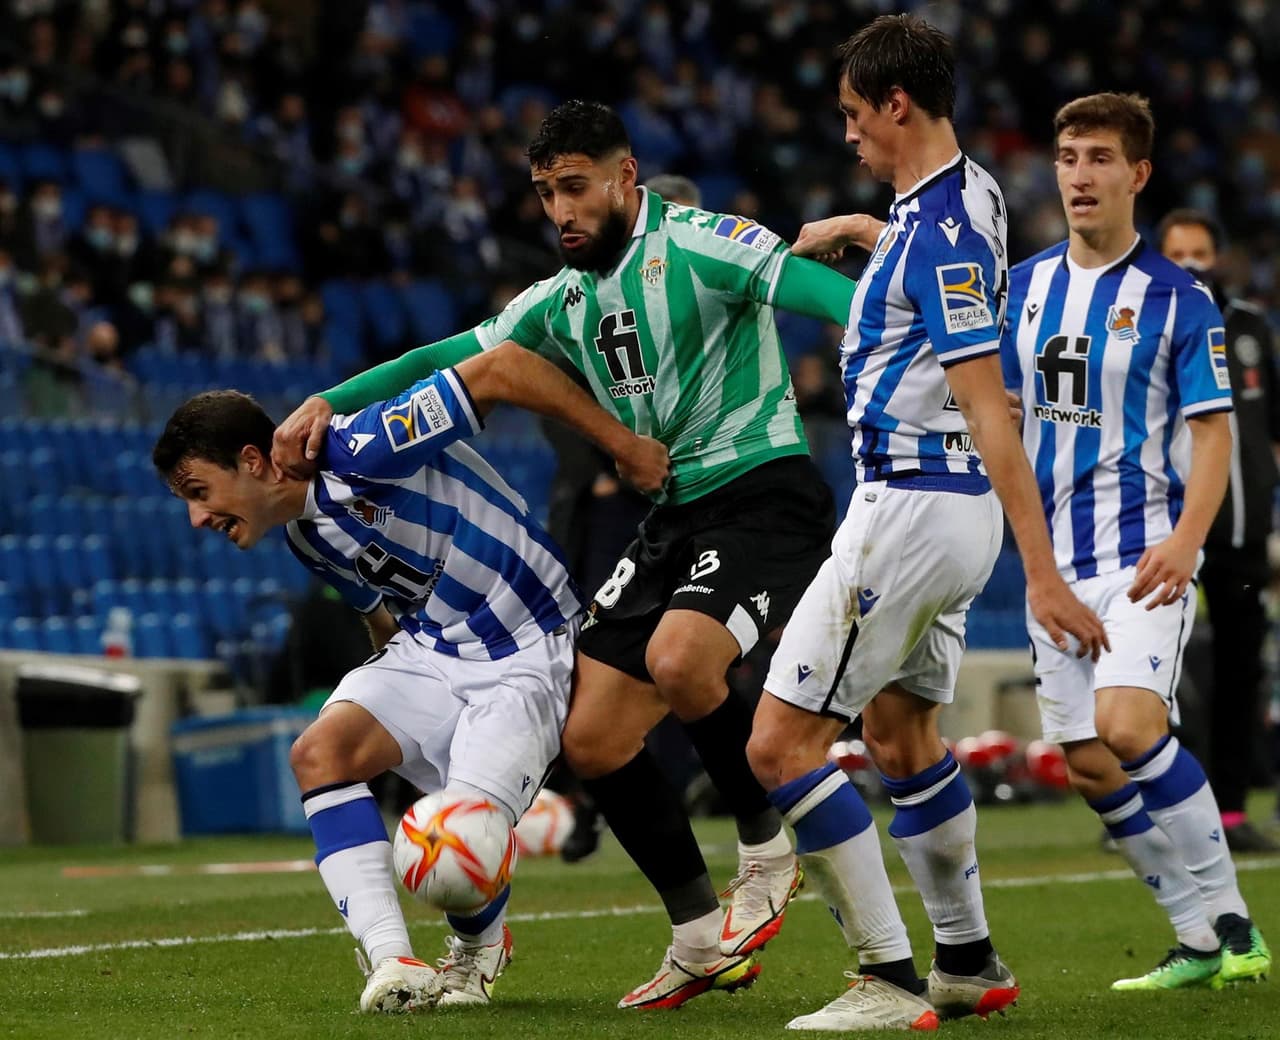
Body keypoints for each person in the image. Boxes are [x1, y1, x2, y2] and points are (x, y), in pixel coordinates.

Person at [272, 100, 866, 1009]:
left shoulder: (706, 243)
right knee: (590, 737)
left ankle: (765, 846)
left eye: (577, 187)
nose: (562, 211)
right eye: (547, 193)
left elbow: (817, 291)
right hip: (672, 517)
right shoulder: (564, 296)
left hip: (763, 492)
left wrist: (916, 343)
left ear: (627, 176)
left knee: (677, 658)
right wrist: (331, 396)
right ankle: (701, 937)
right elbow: (453, 353)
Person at [744, 15, 1109, 1031]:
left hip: (907, 507)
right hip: (944, 513)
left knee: (777, 745)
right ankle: (965, 959)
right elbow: (930, 263)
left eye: (855, 115)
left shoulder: (940, 229)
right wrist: (862, 232)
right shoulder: (971, 195)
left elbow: (988, 399)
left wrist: (1040, 574)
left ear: (894, 104)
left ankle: (886, 977)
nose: (849, 134)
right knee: (901, 737)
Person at [152, 343, 668, 1014]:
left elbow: (505, 365)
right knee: (319, 753)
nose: (197, 517)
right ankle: (392, 959)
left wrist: (622, 444)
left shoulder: (362, 446)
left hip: (526, 648)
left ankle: (478, 951)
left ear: (252, 462)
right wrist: (394, 693)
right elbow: (377, 611)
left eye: (199, 493)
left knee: (457, 848)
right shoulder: (305, 537)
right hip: (434, 650)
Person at [1002, 92, 1271, 991]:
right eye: (1069, 155)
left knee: (1127, 727)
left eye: (1100, 158)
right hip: (1053, 565)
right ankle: (1195, 938)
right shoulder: (1026, 285)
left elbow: (1215, 434)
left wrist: (1190, 541)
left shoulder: (1177, 299)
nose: (1080, 174)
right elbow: (1000, 408)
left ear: (1138, 174)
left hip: (1143, 551)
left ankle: (1238, 927)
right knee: (1087, 760)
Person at [1157, 208, 1280, 854]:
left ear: (1220, 256)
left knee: (1239, 674)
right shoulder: (1144, 325)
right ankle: (1151, 808)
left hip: (1240, 530)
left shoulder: (1251, 328)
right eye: (1176, 252)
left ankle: (1230, 811)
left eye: (1200, 251)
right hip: (1167, 528)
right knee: (1156, 673)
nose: (1190, 262)